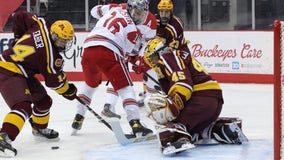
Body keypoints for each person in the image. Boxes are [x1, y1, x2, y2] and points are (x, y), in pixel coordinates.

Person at [143, 38, 248, 154]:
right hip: (211, 101)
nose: (152, 63)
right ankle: (219, 129)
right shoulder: (174, 58)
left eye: (152, 58)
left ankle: (177, 137)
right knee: (191, 129)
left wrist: (174, 103)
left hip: (200, 99)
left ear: (160, 51)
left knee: (167, 122)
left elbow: (183, 83)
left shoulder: (168, 57)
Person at [0, 10, 77, 157]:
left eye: (67, 40)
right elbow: (55, 83)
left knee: (43, 101)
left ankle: (39, 128)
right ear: (54, 34)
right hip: (7, 69)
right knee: (23, 106)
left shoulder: (41, 24)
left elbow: (19, 15)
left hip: (21, 70)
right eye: (62, 40)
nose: (64, 43)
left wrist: (18, 36)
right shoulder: (51, 57)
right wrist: (69, 91)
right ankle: (3, 137)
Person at [71, 0, 153, 137]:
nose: (139, 16)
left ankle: (78, 116)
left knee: (90, 84)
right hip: (108, 52)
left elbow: (94, 11)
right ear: (131, 9)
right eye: (137, 13)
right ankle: (136, 124)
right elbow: (128, 54)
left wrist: (107, 8)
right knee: (126, 89)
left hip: (88, 50)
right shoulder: (132, 29)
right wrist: (136, 61)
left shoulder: (113, 10)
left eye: (141, 14)